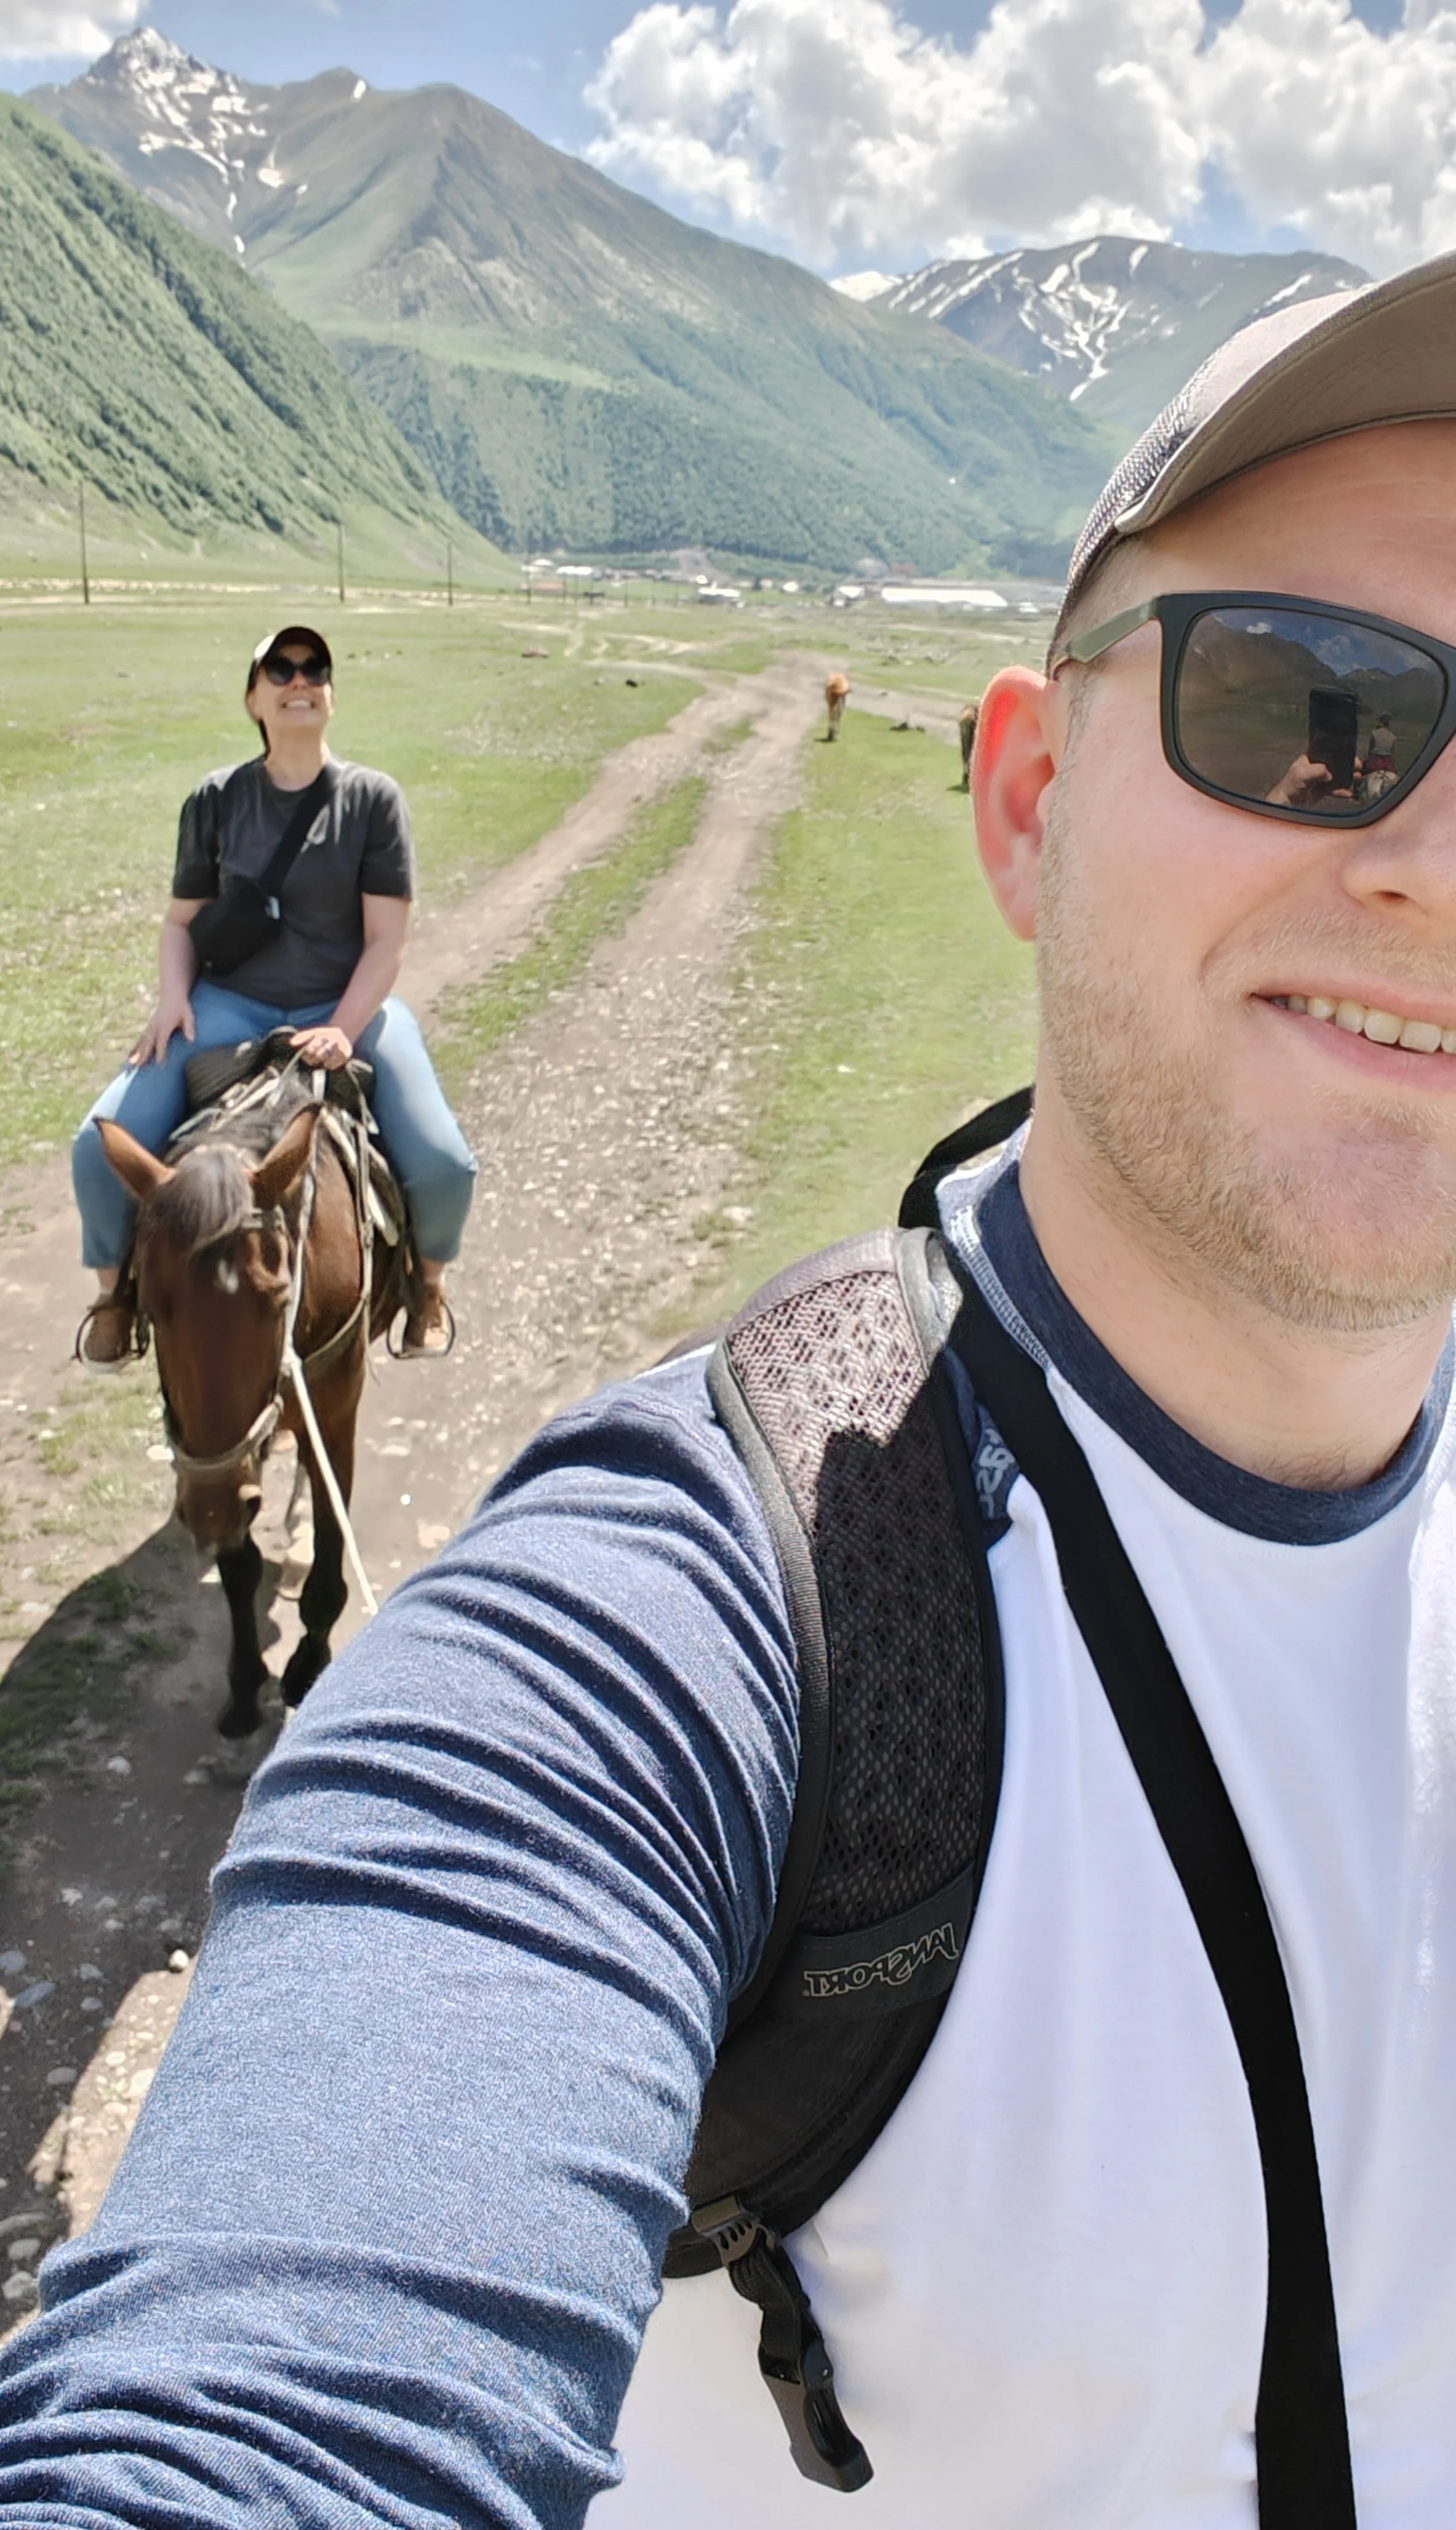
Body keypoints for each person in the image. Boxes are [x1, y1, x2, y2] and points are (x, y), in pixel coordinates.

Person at [7, 261, 1456, 2524]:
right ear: (1021, 801)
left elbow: (377, 955)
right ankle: (123, 1321)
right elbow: (270, 2411)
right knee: (129, 1163)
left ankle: (418, 1275)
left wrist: (337, 1030)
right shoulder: (683, 1629)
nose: (1435, 863)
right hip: (231, 1024)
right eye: (1300, 703)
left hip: (336, 1025)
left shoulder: (363, 800)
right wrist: (203, 1024)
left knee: (435, 1145)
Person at [70, 625, 475, 1361]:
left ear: (330, 694)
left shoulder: (373, 799)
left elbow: (386, 942)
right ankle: (113, 1297)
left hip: (347, 1001)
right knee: (96, 1146)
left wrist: (345, 1029)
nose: (299, 681)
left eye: (314, 669)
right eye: (280, 670)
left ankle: (428, 1286)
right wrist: (172, 999)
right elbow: (180, 924)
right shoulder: (215, 800)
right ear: (254, 698)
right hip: (230, 1005)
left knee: (446, 1161)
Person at [958, 694, 980, 789]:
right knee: (972, 749)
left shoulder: (966, 713)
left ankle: (967, 773)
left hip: (965, 722)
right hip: (971, 721)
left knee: (966, 749)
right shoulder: (975, 713)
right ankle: (971, 775)